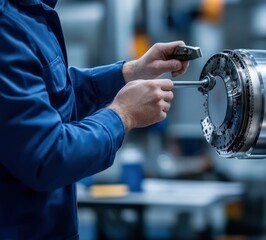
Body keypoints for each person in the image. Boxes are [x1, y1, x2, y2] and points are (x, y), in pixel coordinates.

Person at [0, 0, 189, 239]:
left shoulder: (32, 15)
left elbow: (57, 99)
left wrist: (129, 73)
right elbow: (47, 155)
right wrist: (123, 114)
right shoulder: (6, 26)